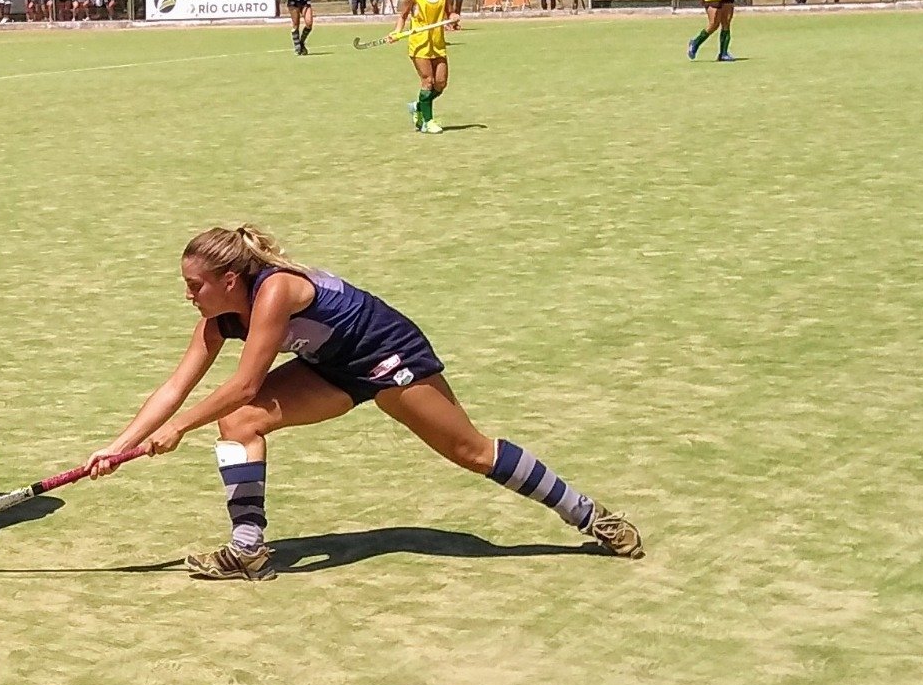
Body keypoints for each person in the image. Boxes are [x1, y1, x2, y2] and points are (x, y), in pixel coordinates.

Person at [84, 226, 644, 580]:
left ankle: (590, 515)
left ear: (230, 279)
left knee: (471, 452)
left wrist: (179, 429)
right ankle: (248, 548)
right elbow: (174, 387)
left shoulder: (273, 289)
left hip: (387, 356)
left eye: (194, 285)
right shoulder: (217, 315)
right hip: (331, 367)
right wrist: (117, 447)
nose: (187, 294)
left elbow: (247, 382)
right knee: (239, 423)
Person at [393, 0, 458, 134]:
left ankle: (418, 106)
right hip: (419, 44)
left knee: (440, 83)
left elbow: (450, 13)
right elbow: (403, 16)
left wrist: (453, 18)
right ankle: (427, 122)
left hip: (437, 42)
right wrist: (397, 32)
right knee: (428, 82)